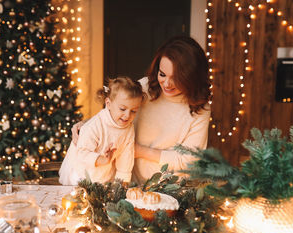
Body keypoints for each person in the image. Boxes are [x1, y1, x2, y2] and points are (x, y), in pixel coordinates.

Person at [72, 36, 211, 185]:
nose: (167, 84)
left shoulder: (200, 109)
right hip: (126, 182)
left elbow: (189, 161)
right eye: (162, 74)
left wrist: (139, 151)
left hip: (168, 189)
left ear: (191, 77)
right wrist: (86, 125)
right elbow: (115, 112)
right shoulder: (145, 87)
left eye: (177, 78)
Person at [59, 76, 145, 185]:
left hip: (103, 173)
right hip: (80, 172)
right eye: (122, 109)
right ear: (108, 104)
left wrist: (122, 184)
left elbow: (125, 158)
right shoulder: (94, 126)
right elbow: (82, 153)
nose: (127, 115)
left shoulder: (128, 128)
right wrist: (102, 160)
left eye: (133, 111)